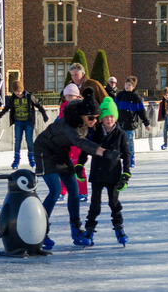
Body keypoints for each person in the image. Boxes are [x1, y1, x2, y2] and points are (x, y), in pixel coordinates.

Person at [33, 88, 110, 249]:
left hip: (61, 154)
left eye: (96, 118)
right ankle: (40, 231)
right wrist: (102, 152)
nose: (94, 121)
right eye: (91, 118)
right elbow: (80, 142)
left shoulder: (88, 121)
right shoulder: (68, 122)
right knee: (55, 191)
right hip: (44, 151)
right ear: (82, 114)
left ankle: (76, 230)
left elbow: (99, 138)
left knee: (74, 192)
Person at [78, 97, 132, 247]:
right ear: (101, 118)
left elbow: (127, 155)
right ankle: (89, 230)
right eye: (106, 116)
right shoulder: (95, 134)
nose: (109, 119)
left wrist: (126, 174)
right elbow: (86, 149)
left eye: (112, 116)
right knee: (95, 204)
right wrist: (79, 165)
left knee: (114, 203)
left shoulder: (121, 135)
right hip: (97, 174)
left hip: (113, 174)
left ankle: (119, 229)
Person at [0, 80, 49, 170]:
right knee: (18, 140)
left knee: (29, 140)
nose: (17, 93)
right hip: (18, 122)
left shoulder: (30, 97)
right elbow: (6, 109)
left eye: (18, 91)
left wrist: (44, 115)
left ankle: (31, 159)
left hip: (28, 122)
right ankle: (16, 160)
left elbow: (39, 105)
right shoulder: (12, 99)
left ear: (22, 90)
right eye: (15, 92)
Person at [115, 76, 150, 169]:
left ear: (133, 87)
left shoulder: (136, 98)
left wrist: (146, 122)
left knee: (128, 141)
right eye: (126, 84)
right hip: (120, 123)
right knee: (118, 140)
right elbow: (114, 107)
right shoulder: (120, 95)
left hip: (130, 124)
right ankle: (118, 156)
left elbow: (142, 111)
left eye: (129, 85)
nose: (127, 86)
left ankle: (130, 158)